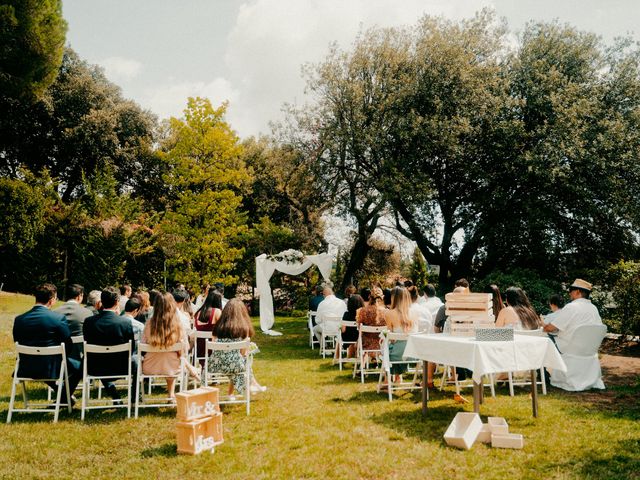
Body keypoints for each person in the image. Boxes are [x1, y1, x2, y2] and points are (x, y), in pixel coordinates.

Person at [13, 283, 82, 406]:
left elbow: (17, 341)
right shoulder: (57, 318)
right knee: (80, 367)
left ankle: (63, 397)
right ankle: (64, 396)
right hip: (50, 367)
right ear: (51, 300)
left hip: (25, 367)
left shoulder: (19, 319)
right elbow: (68, 344)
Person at [83, 287, 137, 400]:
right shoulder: (125, 323)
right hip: (122, 368)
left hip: (95, 367)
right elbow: (131, 349)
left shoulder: (89, 322)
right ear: (117, 302)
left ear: (101, 302)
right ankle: (135, 398)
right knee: (136, 362)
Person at [207, 298, 265, 396]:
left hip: (215, 365)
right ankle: (251, 384)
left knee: (235, 361)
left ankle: (233, 393)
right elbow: (242, 354)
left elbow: (214, 346)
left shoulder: (218, 327)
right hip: (235, 365)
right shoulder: (243, 329)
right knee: (243, 360)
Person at [141, 292, 191, 400]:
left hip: (150, 366)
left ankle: (142, 397)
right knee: (172, 359)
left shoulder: (149, 323)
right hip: (174, 367)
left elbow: (142, 345)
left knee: (168, 358)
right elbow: (185, 348)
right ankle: (171, 394)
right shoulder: (178, 324)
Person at [543, 279, 603, 352]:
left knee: (541, 338)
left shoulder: (571, 307)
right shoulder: (594, 308)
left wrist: (543, 325)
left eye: (571, 290)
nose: (569, 293)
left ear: (577, 291)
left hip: (567, 348)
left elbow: (549, 329)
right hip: (588, 350)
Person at [380, 287, 417, 389]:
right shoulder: (414, 313)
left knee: (387, 348)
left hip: (396, 355)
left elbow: (390, 337)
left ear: (394, 298)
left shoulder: (389, 313)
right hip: (413, 354)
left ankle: (387, 380)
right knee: (398, 346)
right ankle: (398, 378)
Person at [55, 283, 93, 361]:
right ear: (79, 296)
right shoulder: (87, 313)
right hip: (81, 356)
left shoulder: (55, 312)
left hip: (59, 356)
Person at [355, 287, 387, 359]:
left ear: (369, 297)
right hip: (382, 343)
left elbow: (359, 327)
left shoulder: (362, 311)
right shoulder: (386, 312)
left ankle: (365, 361)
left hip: (366, 344)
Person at [194, 290, 223, 365]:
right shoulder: (217, 312)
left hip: (199, 351)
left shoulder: (198, 313)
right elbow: (223, 329)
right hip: (213, 350)